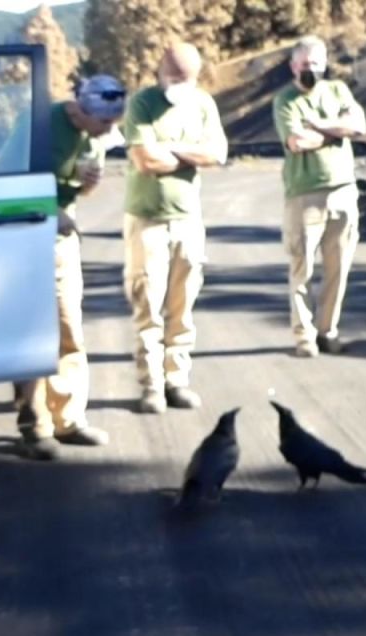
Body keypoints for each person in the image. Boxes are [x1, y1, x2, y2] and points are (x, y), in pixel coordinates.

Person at [15, 74, 128, 461]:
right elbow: (8, 183)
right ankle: (35, 427)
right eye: (105, 124)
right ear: (80, 111)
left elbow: (78, 188)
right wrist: (52, 210)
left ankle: (68, 418)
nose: (110, 131)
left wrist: (89, 185)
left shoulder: (94, 136)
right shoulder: (39, 127)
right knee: (33, 333)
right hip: (25, 238)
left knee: (69, 329)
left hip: (62, 243)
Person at [121, 42, 228, 414]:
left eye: (187, 79)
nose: (180, 85)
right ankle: (151, 383)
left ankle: (176, 379)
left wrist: (174, 150)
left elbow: (218, 153)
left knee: (183, 305)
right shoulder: (143, 104)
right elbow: (145, 159)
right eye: (174, 78)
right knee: (147, 303)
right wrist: (189, 152)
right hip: (147, 220)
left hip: (188, 220)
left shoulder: (202, 104)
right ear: (160, 72)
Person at [272, 35, 366, 358]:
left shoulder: (338, 90)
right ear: (292, 66)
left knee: (337, 268)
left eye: (315, 63)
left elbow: (359, 126)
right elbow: (298, 142)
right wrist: (336, 131)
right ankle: (304, 336)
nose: (309, 69)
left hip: (343, 191)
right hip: (304, 195)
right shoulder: (285, 100)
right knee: (302, 270)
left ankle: (328, 330)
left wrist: (321, 125)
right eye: (303, 63)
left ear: (324, 64)